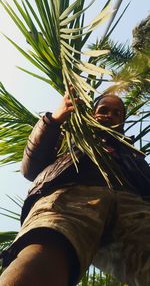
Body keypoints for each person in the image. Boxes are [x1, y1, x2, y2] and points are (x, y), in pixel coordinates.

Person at [0, 91, 150, 286]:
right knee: (43, 255)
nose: (109, 115)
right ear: (92, 113)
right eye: (103, 110)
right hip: (70, 194)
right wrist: (54, 120)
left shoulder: (132, 154)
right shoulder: (70, 139)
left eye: (116, 113)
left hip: (131, 202)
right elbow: (31, 168)